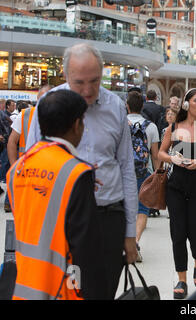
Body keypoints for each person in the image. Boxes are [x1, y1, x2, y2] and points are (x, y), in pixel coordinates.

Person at [25, 43, 138, 299]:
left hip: (107, 217)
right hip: (61, 221)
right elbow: (32, 162)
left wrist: (130, 234)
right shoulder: (48, 105)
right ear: (66, 77)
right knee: (63, 291)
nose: (88, 91)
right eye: (79, 83)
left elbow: (126, 169)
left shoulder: (116, 107)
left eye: (94, 81)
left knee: (103, 291)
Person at [7, 89, 107, 300]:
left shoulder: (17, 169)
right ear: (76, 125)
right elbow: (87, 251)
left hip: (24, 287)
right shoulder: (76, 172)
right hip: (62, 290)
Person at [158, 88, 196, 299]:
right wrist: (173, 159)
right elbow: (161, 152)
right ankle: (181, 280)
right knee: (178, 234)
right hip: (175, 186)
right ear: (187, 104)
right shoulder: (173, 127)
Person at [126, 91, 160, 262]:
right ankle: (136, 241)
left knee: (125, 209)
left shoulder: (120, 123)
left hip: (123, 173)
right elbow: (155, 154)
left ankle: (125, 243)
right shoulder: (151, 126)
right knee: (142, 209)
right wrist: (157, 174)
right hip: (143, 173)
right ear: (142, 107)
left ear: (127, 105)